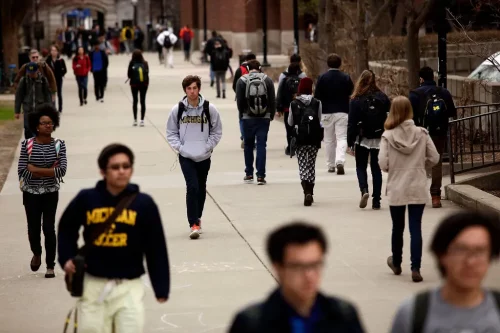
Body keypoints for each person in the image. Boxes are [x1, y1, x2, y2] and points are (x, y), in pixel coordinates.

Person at [57, 143, 170, 332]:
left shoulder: (144, 204)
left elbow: (156, 248)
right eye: (115, 167)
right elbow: (66, 229)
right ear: (103, 171)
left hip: (129, 287)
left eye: (126, 166)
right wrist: (66, 258)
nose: (122, 171)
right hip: (93, 285)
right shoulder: (87, 199)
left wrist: (161, 287)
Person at [229, 222, 365, 332]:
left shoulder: (343, 315)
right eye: (298, 267)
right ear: (278, 268)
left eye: (315, 265)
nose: (309, 275)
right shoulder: (251, 324)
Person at [390, 211, 500, 332]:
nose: (470, 262)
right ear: (441, 254)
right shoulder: (413, 314)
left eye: (479, 251)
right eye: (461, 250)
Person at [378, 96, 440, 283]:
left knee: (397, 227)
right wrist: (421, 165)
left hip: (397, 185)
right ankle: (416, 267)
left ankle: (396, 262)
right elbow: (435, 157)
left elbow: (382, 163)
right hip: (417, 184)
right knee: (416, 228)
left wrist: (393, 168)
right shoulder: (422, 133)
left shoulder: (388, 136)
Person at [166, 75, 223, 239]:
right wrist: (180, 148)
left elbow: (217, 131)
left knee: (201, 188)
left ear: (199, 89)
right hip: (186, 156)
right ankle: (193, 224)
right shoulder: (177, 110)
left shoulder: (209, 108)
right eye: (189, 88)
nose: (192, 92)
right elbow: (171, 132)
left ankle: (197, 216)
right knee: (192, 187)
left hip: (204, 155)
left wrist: (208, 146)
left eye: (194, 88)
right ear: (185, 90)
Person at [17, 105, 67, 279]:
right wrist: (48, 170)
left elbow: (61, 171)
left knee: (48, 228)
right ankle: (36, 253)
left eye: (50, 123)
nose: (48, 126)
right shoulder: (27, 145)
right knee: (33, 228)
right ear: (36, 126)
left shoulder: (59, 145)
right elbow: (22, 170)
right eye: (44, 123)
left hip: (51, 193)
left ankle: (50, 265)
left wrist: (36, 169)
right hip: (30, 194)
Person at [409, 66, 457, 209]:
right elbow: (451, 112)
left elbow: (409, 115)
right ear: (433, 77)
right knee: (437, 162)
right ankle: (436, 196)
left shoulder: (415, 94)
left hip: (420, 133)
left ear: (421, 79)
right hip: (439, 133)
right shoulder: (444, 92)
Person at [347, 70, 390, 210]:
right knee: (376, 169)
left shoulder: (356, 99)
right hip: (378, 137)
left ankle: (364, 190)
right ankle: (376, 200)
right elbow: (389, 117)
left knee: (361, 166)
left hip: (362, 137)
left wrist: (350, 141)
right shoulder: (383, 98)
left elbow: (352, 122)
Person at [236, 60, 276, 185]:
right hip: (264, 117)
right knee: (261, 145)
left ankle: (249, 174)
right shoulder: (267, 80)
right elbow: (272, 99)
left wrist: (242, 115)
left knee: (248, 145)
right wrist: (272, 114)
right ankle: (261, 175)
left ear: (247, 68)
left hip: (247, 118)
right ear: (260, 68)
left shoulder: (242, 80)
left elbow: (240, 102)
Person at [314, 53, 354, 174]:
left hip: (326, 112)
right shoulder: (346, 77)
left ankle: (330, 164)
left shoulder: (322, 77)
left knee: (329, 139)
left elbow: (317, 96)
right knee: (342, 137)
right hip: (342, 110)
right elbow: (351, 92)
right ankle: (340, 160)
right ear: (340, 64)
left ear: (328, 64)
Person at [288, 78, 323, 206]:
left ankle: (306, 191)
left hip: (300, 138)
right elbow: (320, 120)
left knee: (303, 164)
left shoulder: (294, 103)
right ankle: (311, 192)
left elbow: (290, 122)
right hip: (314, 138)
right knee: (311, 164)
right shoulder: (317, 102)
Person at [15, 62, 53, 139]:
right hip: (28, 109)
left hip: (40, 109)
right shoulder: (24, 80)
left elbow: (47, 96)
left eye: (33, 72)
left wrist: (49, 111)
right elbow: (19, 96)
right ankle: (29, 146)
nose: (31, 74)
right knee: (27, 128)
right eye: (29, 72)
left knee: (38, 129)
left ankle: (36, 146)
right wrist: (17, 111)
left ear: (37, 71)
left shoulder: (43, 80)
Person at [277, 62, 305, 155]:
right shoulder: (301, 81)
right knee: (299, 128)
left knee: (289, 129)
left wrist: (279, 108)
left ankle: (290, 147)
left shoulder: (284, 80)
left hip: (287, 109)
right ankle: (298, 145)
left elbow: (280, 95)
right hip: (299, 109)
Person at [233, 53, 257, 149]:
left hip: (242, 98)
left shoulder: (240, 70)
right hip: (255, 98)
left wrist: (239, 93)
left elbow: (234, 85)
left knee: (242, 118)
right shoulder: (258, 70)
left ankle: (244, 136)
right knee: (255, 118)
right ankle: (252, 138)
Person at [128, 49, 149, 127]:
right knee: (142, 101)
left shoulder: (131, 63)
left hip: (134, 84)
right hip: (144, 84)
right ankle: (142, 120)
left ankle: (135, 120)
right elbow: (147, 73)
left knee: (135, 101)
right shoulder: (145, 63)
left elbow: (128, 74)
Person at [46, 45, 67, 113]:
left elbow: (65, 70)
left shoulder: (60, 60)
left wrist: (61, 74)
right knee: (52, 94)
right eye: (52, 50)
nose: (54, 52)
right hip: (51, 80)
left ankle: (60, 108)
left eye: (55, 50)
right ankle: (53, 107)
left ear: (57, 52)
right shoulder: (48, 60)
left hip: (58, 79)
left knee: (59, 94)